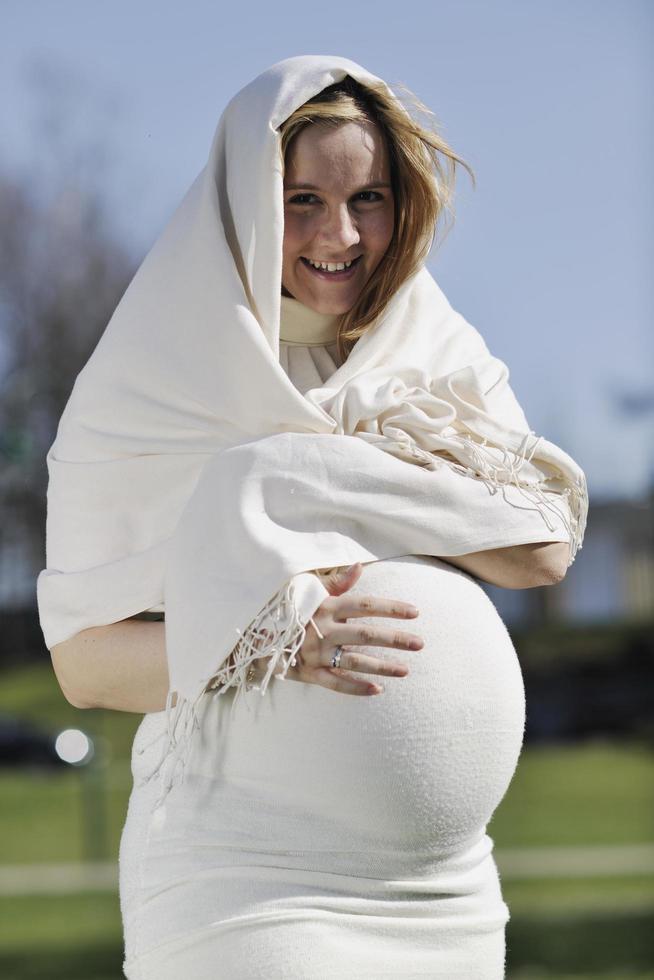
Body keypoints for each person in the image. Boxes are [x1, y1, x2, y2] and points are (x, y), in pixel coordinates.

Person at [39, 56, 587, 979]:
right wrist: (270, 642)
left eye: (369, 197)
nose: (341, 233)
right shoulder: (151, 378)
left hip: (444, 889)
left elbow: (540, 546)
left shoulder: (429, 345)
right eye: (302, 201)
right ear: (248, 204)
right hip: (250, 873)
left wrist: (308, 470)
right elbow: (83, 665)